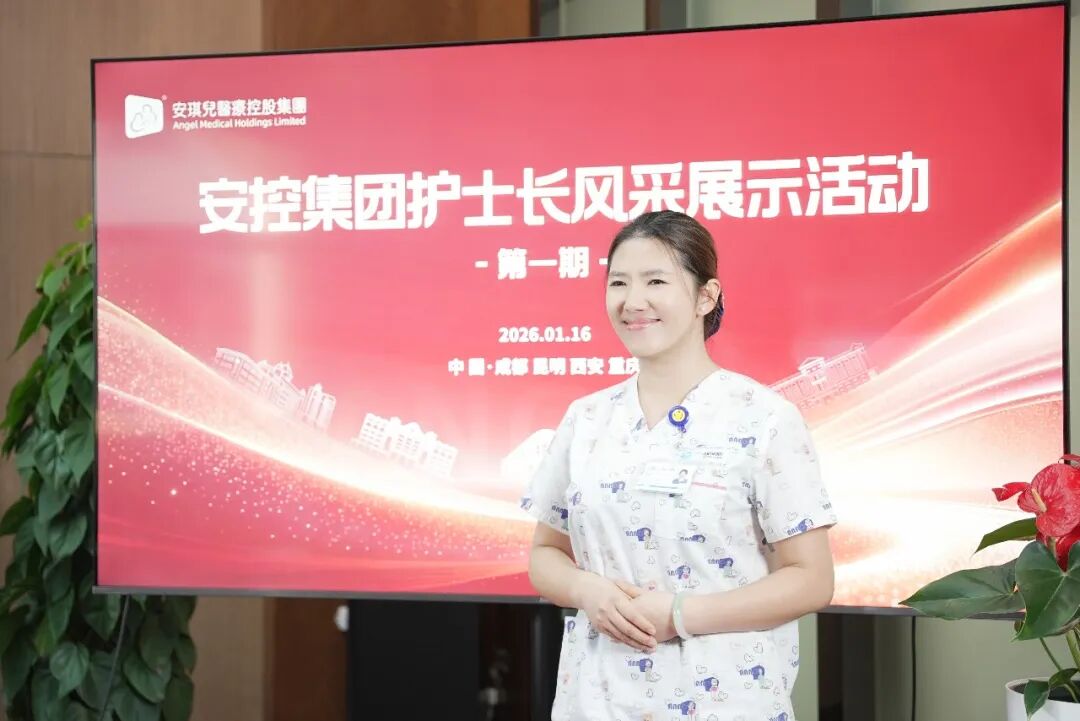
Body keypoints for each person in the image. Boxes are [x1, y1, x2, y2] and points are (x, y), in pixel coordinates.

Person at [523, 210, 838, 720]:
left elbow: (812, 578)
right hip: (596, 700)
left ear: (705, 297)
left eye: (656, 281)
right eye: (619, 283)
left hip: (727, 700)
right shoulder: (587, 419)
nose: (633, 301)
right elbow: (545, 553)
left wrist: (680, 614)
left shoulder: (764, 418)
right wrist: (587, 590)